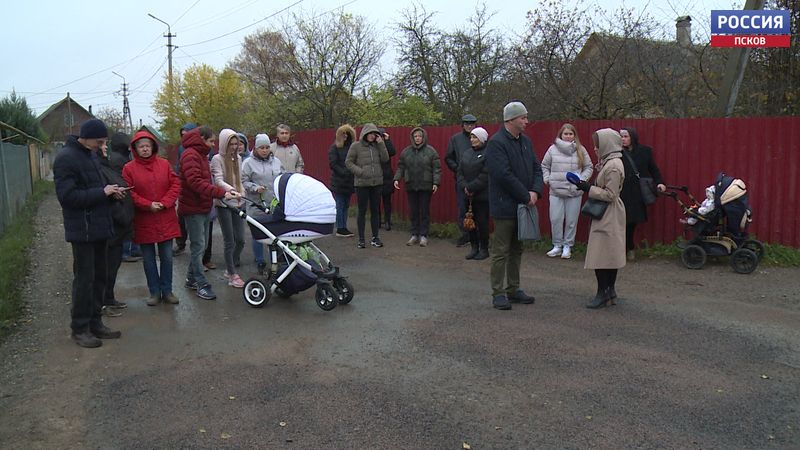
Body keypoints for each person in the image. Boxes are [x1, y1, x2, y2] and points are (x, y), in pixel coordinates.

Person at [53, 118, 125, 348]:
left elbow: (95, 190)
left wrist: (111, 192)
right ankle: (80, 328)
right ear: (87, 137)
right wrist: (102, 193)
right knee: (84, 280)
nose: (102, 145)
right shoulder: (66, 159)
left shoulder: (90, 156)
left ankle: (95, 322)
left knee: (99, 277)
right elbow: (68, 198)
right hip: (82, 230)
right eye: (100, 141)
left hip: (100, 227)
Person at [485, 102, 543, 311]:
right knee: (501, 250)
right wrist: (525, 195)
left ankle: (513, 288)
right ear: (510, 120)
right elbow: (503, 175)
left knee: (518, 248)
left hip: (524, 204)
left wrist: (535, 191)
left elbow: (537, 168)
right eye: (523, 117)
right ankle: (498, 293)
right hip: (505, 206)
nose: (526, 121)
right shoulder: (496, 143)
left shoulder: (525, 142)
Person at [122, 130, 183, 306]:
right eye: (141, 146)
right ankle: (154, 292)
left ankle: (168, 290)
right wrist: (148, 205)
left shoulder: (164, 164)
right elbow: (129, 193)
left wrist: (164, 203)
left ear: (153, 147)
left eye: (148, 146)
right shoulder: (129, 169)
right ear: (135, 149)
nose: (145, 149)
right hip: (144, 220)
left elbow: (175, 184)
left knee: (167, 257)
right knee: (148, 259)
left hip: (165, 217)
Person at [179, 126, 239, 300]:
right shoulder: (191, 155)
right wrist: (221, 193)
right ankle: (200, 283)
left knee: (202, 246)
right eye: (211, 141)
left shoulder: (201, 155)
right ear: (201, 139)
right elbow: (195, 182)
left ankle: (191, 278)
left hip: (203, 206)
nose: (213, 144)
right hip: (193, 209)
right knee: (198, 246)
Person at [574, 128, 626, 309]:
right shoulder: (610, 162)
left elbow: (610, 194)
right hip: (608, 212)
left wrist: (587, 188)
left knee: (602, 255)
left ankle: (603, 292)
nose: (595, 148)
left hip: (607, 213)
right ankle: (609, 292)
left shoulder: (613, 166)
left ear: (607, 144)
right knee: (608, 254)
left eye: (598, 145)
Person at [541, 123, 594, 259]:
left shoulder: (580, 150)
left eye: (571, 134)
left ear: (574, 136)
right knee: (556, 219)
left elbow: (589, 167)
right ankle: (557, 245)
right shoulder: (552, 149)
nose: (568, 136)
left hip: (574, 192)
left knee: (571, 220)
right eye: (566, 133)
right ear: (561, 135)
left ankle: (567, 246)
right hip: (555, 191)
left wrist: (581, 180)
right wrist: (547, 179)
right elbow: (544, 165)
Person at [98, 132, 134, 317]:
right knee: (107, 267)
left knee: (113, 265)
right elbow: (102, 192)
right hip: (112, 223)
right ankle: (104, 302)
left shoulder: (108, 164)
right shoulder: (107, 165)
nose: (106, 147)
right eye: (102, 144)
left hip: (119, 223)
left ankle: (109, 298)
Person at [619, 127, 666, 261]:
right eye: (621, 136)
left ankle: (630, 248)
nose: (623, 139)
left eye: (625, 136)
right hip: (622, 191)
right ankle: (624, 249)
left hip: (637, 192)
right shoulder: (617, 153)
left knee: (631, 222)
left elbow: (654, 170)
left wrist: (660, 183)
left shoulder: (645, 152)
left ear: (632, 137)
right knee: (621, 222)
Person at [242, 133, 284, 273]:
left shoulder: (276, 161)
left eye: (267, 147)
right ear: (256, 148)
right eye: (262, 148)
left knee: (274, 232)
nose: (265, 150)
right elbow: (244, 181)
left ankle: (277, 257)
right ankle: (259, 260)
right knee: (258, 233)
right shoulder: (248, 163)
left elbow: (282, 177)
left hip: (273, 203)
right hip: (256, 204)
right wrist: (255, 188)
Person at [394, 127, 441, 248]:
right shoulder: (406, 152)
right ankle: (414, 234)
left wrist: (436, 182)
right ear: (412, 138)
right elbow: (401, 167)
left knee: (424, 211)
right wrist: (397, 179)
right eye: (415, 136)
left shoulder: (431, 151)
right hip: (411, 185)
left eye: (420, 136)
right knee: (413, 211)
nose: (418, 138)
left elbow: (437, 168)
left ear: (423, 137)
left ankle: (424, 235)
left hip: (426, 185)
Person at [211, 129, 247, 288]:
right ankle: (232, 274)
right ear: (224, 144)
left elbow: (240, 179)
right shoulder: (217, 159)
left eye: (236, 144)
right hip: (224, 203)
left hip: (239, 202)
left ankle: (229, 265)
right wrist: (230, 190)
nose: (234, 147)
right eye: (231, 144)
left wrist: (242, 192)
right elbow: (217, 180)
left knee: (240, 239)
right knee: (229, 241)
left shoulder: (238, 159)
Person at [345, 123, 390, 248]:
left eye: (374, 134)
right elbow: (348, 162)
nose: (372, 136)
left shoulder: (377, 145)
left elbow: (385, 159)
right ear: (365, 134)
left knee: (375, 211)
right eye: (370, 133)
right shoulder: (356, 146)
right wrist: (360, 172)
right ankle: (361, 239)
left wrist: (381, 143)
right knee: (362, 211)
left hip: (377, 183)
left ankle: (375, 238)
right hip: (362, 184)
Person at [457, 127, 490, 260]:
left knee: (482, 223)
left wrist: (471, 187)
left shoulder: (488, 153)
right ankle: (474, 247)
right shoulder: (466, 153)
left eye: (475, 137)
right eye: (471, 137)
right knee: (469, 223)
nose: (472, 140)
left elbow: (485, 175)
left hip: (482, 196)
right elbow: (460, 172)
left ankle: (484, 249)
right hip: (467, 196)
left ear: (482, 138)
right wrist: (464, 186)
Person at [445, 114, 478, 247]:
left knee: (478, 208)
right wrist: (457, 169)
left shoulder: (479, 138)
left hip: (478, 180)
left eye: (472, 123)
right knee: (462, 208)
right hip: (461, 179)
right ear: (463, 125)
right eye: (467, 124)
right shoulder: (455, 139)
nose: (469, 126)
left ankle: (478, 236)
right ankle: (465, 235)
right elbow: (448, 158)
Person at [173, 122, 198, 255]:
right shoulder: (181, 148)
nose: (184, 137)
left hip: (197, 187)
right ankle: (180, 243)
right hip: (184, 186)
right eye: (182, 135)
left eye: (187, 134)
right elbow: (179, 165)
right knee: (181, 216)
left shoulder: (201, 147)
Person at [328, 124, 357, 237]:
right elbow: (333, 164)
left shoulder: (352, 147)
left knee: (345, 205)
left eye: (347, 134)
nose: (345, 136)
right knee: (340, 204)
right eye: (343, 134)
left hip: (350, 181)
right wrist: (344, 172)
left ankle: (343, 226)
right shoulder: (334, 148)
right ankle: (340, 227)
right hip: (339, 181)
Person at [378, 127, 397, 231]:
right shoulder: (373, 146)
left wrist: (387, 140)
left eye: (382, 135)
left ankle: (387, 221)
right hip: (376, 176)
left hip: (387, 177)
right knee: (376, 202)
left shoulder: (386, 146)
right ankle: (377, 221)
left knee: (387, 202)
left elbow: (393, 152)